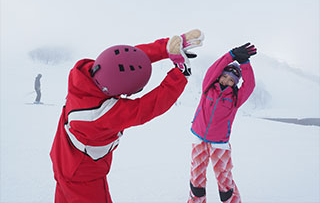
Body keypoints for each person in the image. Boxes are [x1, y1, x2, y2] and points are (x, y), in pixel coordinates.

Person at [50, 29, 204, 203]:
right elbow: (148, 107)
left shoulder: (85, 75)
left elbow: (124, 60)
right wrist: (180, 73)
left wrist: (167, 47)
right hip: (83, 176)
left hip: (63, 161)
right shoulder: (101, 115)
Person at [188, 43, 257, 203]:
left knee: (225, 180)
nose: (226, 81)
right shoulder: (208, 88)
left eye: (231, 80)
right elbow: (213, 70)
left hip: (220, 144)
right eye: (225, 76)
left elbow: (250, 85)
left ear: (235, 83)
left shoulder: (235, 99)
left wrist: (245, 64)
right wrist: (231, 55)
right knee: (196, 177)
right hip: (199, 138)